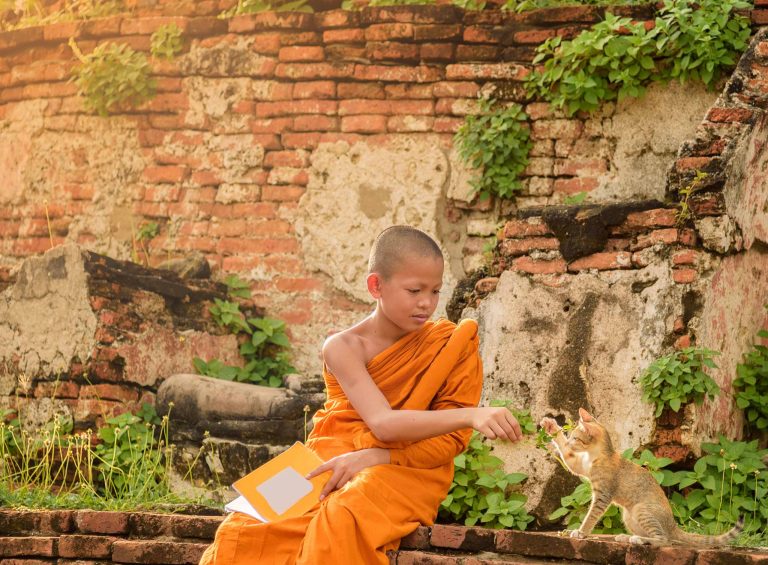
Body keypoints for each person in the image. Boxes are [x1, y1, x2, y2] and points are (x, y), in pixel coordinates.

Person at [199, 225, 522, 565]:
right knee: (242, 529)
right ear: (375, 286)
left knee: (340, 518)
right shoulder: (342, 347)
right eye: (414, 290)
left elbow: (450, 441)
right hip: (325, 458)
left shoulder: (449, 344)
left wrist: (378, 457)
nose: (426, 303)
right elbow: (382, 423)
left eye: (435, 291)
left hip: (408, 470)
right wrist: (473, 414)